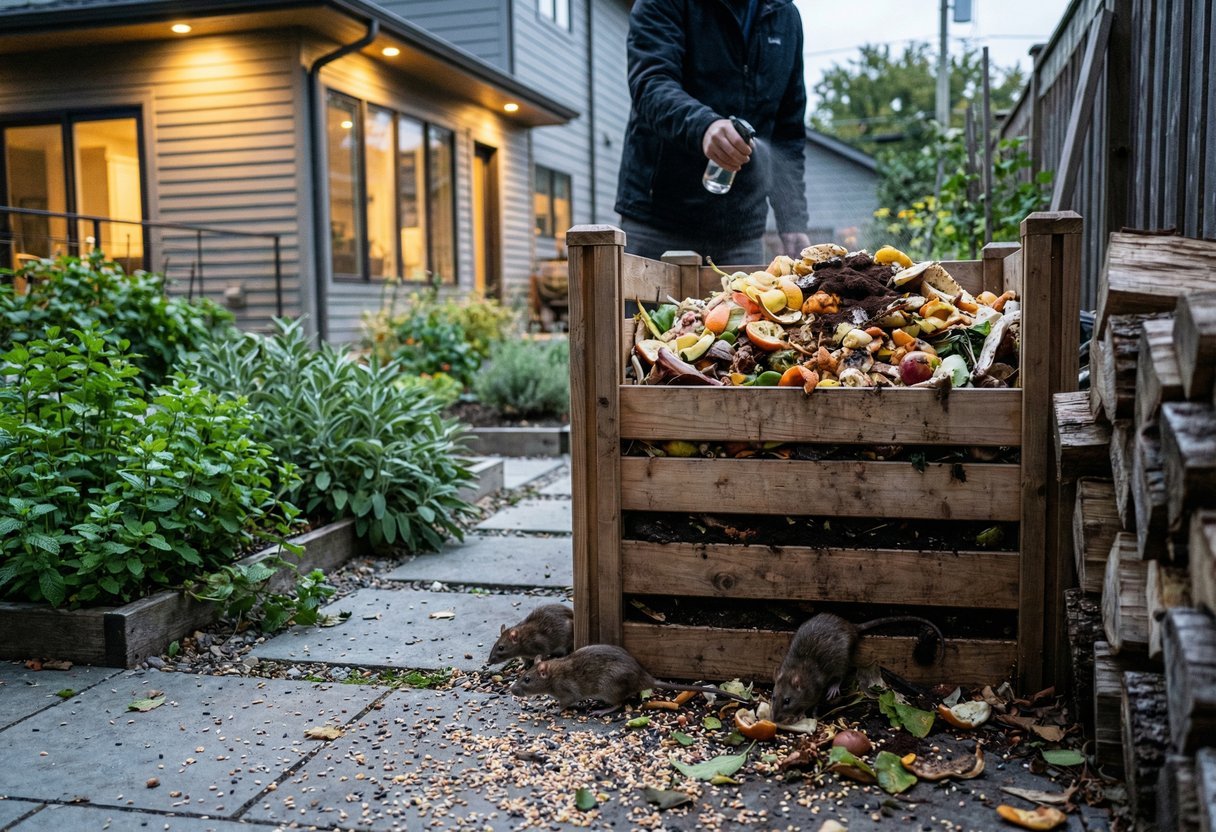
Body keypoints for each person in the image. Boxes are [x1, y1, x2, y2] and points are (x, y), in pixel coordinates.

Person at [614, 0, 812, 265]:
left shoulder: (785, 16)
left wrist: (793, 221)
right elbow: (651, 84)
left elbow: (788, 132)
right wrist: (704, 126)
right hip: (658, 220)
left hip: (741, 232)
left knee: (746, 295)